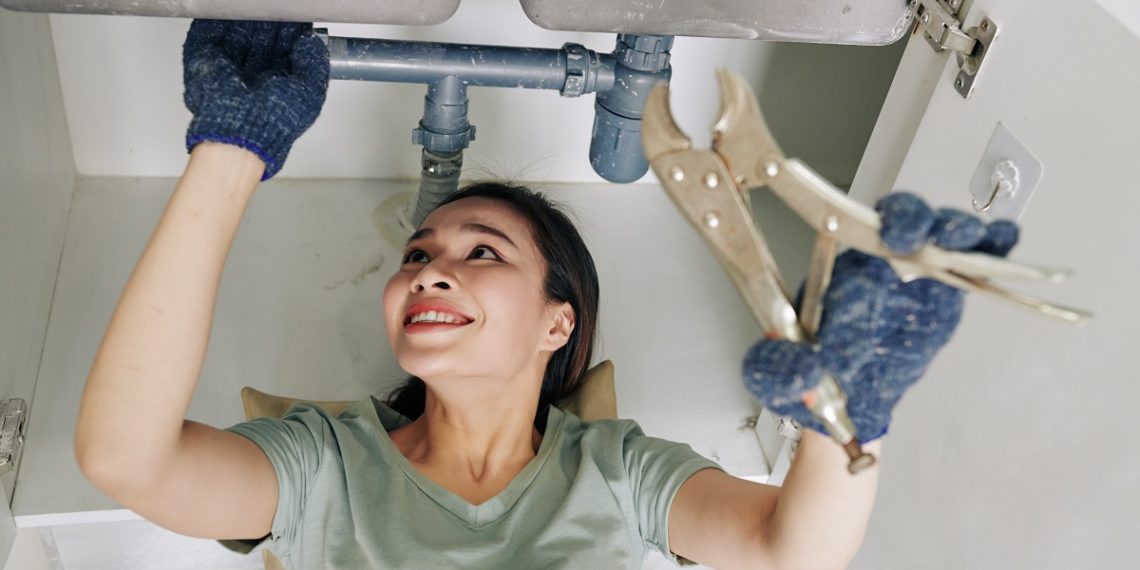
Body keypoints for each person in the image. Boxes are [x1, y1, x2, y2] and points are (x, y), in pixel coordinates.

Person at [73, 19, 1018, 569]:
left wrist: (855, 416)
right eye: (418, 255)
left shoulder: (616, 471)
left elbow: (787, 553)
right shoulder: (324, 467)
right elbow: (126, 460)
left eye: (482, 253)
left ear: (557, 320)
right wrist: (232, 152)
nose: (427, 269)